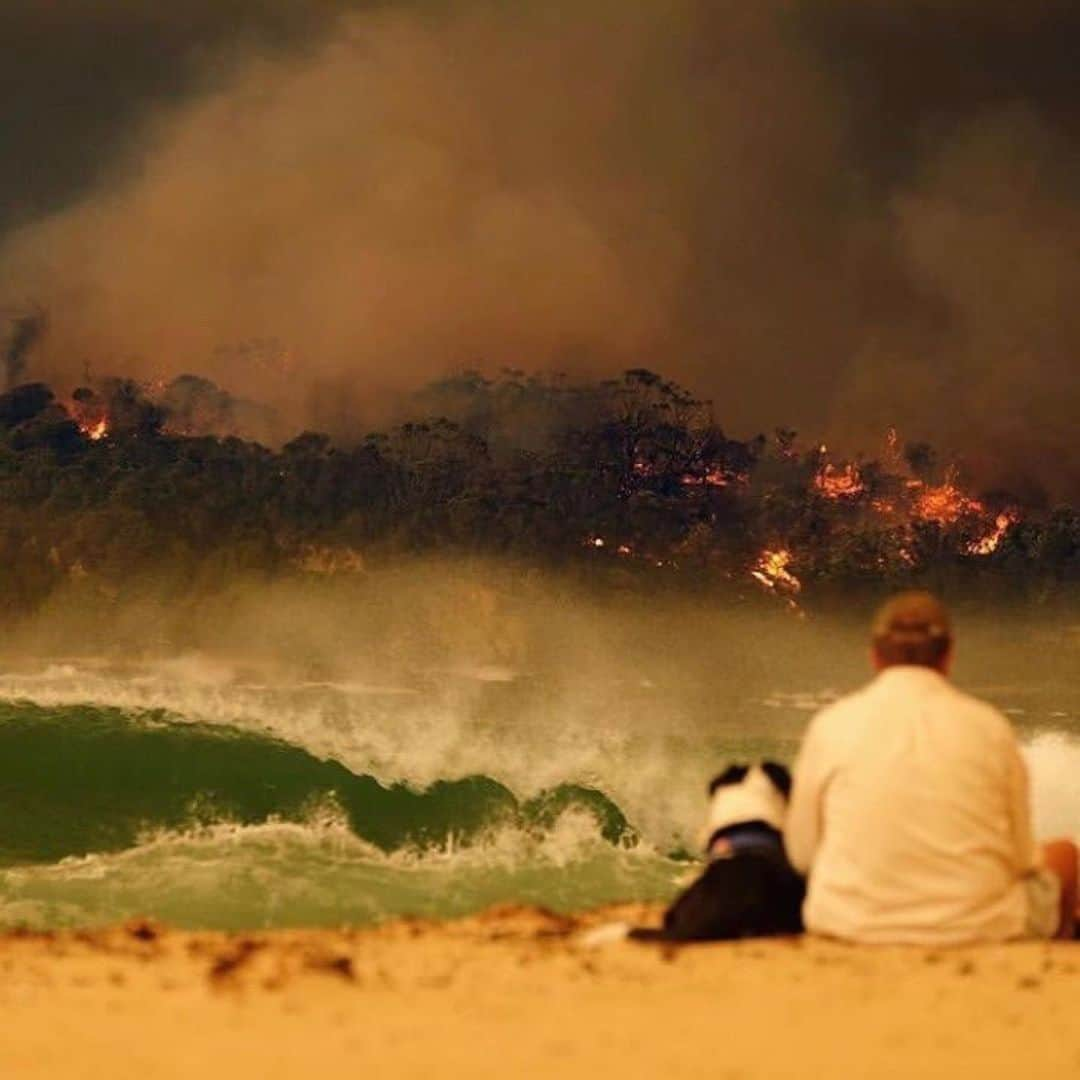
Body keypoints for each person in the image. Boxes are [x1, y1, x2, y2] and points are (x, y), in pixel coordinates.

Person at [784, 591, 1078, 944]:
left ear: (875, 656)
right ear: (948, 656)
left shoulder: (830, 725)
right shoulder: (989, 727)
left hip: (850, 924)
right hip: (978, 927)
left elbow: (802, 854)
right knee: (1064, 855)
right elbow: (1021, 859)